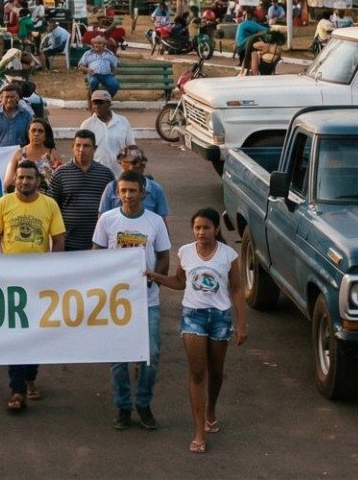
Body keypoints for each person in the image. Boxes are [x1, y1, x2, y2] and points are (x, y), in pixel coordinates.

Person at [147, 207, 247, 455]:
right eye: (197, 228)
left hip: (220, 317)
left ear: (216, 229)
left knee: (216, 371)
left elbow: (236, 290)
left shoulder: (228, 255)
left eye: (206, 227)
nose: (201, 232)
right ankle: (199, 431)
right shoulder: (185, 252)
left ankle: (211, 409)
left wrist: (241, 324)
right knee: (197, 372)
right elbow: (180, 282)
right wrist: (155, 276)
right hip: (193, 316)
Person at [93, 171, 171, 431]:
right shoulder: (107, 220)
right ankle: (123, 405)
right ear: (117, 193)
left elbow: (163, 256)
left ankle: (144, 402)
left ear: (143, 193)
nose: (128, 195)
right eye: (123, 191)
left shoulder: (155, 222)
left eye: (133, 191)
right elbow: (97, 255)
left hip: (147, 300)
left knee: (151, 354)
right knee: (118, 357)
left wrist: (154, 279)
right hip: (116, 301)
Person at [0, 159, 66, 409]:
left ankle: (30, 377)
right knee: (16, 335)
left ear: (38, 180)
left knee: (37, 333)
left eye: (28, 178)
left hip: (39, 282)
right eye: (20, 177)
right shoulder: (4, 203)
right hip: (10, 281)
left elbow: (59, 240)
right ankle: (17, 389)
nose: (23, 181)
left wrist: (54, 271)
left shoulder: (49, 205)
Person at [49, 130, 115, 252]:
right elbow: (52, 208)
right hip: (67, 243)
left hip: (97, 243)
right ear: (72, 147)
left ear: (94, 148)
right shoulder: (60, 174)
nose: (81, 149)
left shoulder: (106, 174)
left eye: (86, 146)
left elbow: (113, 209)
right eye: (78, 145)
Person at [99, 145, 170, 219]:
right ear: (121, 164)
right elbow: (103, 218)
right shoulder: (111, 187)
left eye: (136, 165)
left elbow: (161, 220)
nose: (131, 168)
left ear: (143, 166)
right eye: (127, 164)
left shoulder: (155, 189)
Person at [80, 89, 133, 172]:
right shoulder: (87, 125)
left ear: (109, 104)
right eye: (94, 103)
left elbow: (131, 147)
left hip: (119, 174)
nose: (97, 106)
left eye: (101, 103)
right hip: (96, 174)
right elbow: (80, 151)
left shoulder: (123, 122)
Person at [4, 117, 61, 193]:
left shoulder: (53, 154)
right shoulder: (19, 154)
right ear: (28, 134)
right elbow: (7, 183)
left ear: (46, 136)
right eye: (33, 130)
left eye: (40, 131)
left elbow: (61, 182)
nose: (36, 134)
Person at [0, 84, 34, 149]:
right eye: (7, 97)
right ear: (2, 98)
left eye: (12, 97)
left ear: (18, 98)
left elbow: (32, 137)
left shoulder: (26, 115)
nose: (9, 100)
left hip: (20, 155)